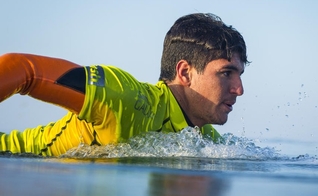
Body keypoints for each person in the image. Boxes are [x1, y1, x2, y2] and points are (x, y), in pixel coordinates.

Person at [0, 13, 248, 157]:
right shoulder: (126, 98)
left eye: (239, 75)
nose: (239, 89)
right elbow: (24, 69)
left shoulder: (204, 140)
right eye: (226, 73)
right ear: (185, 72)